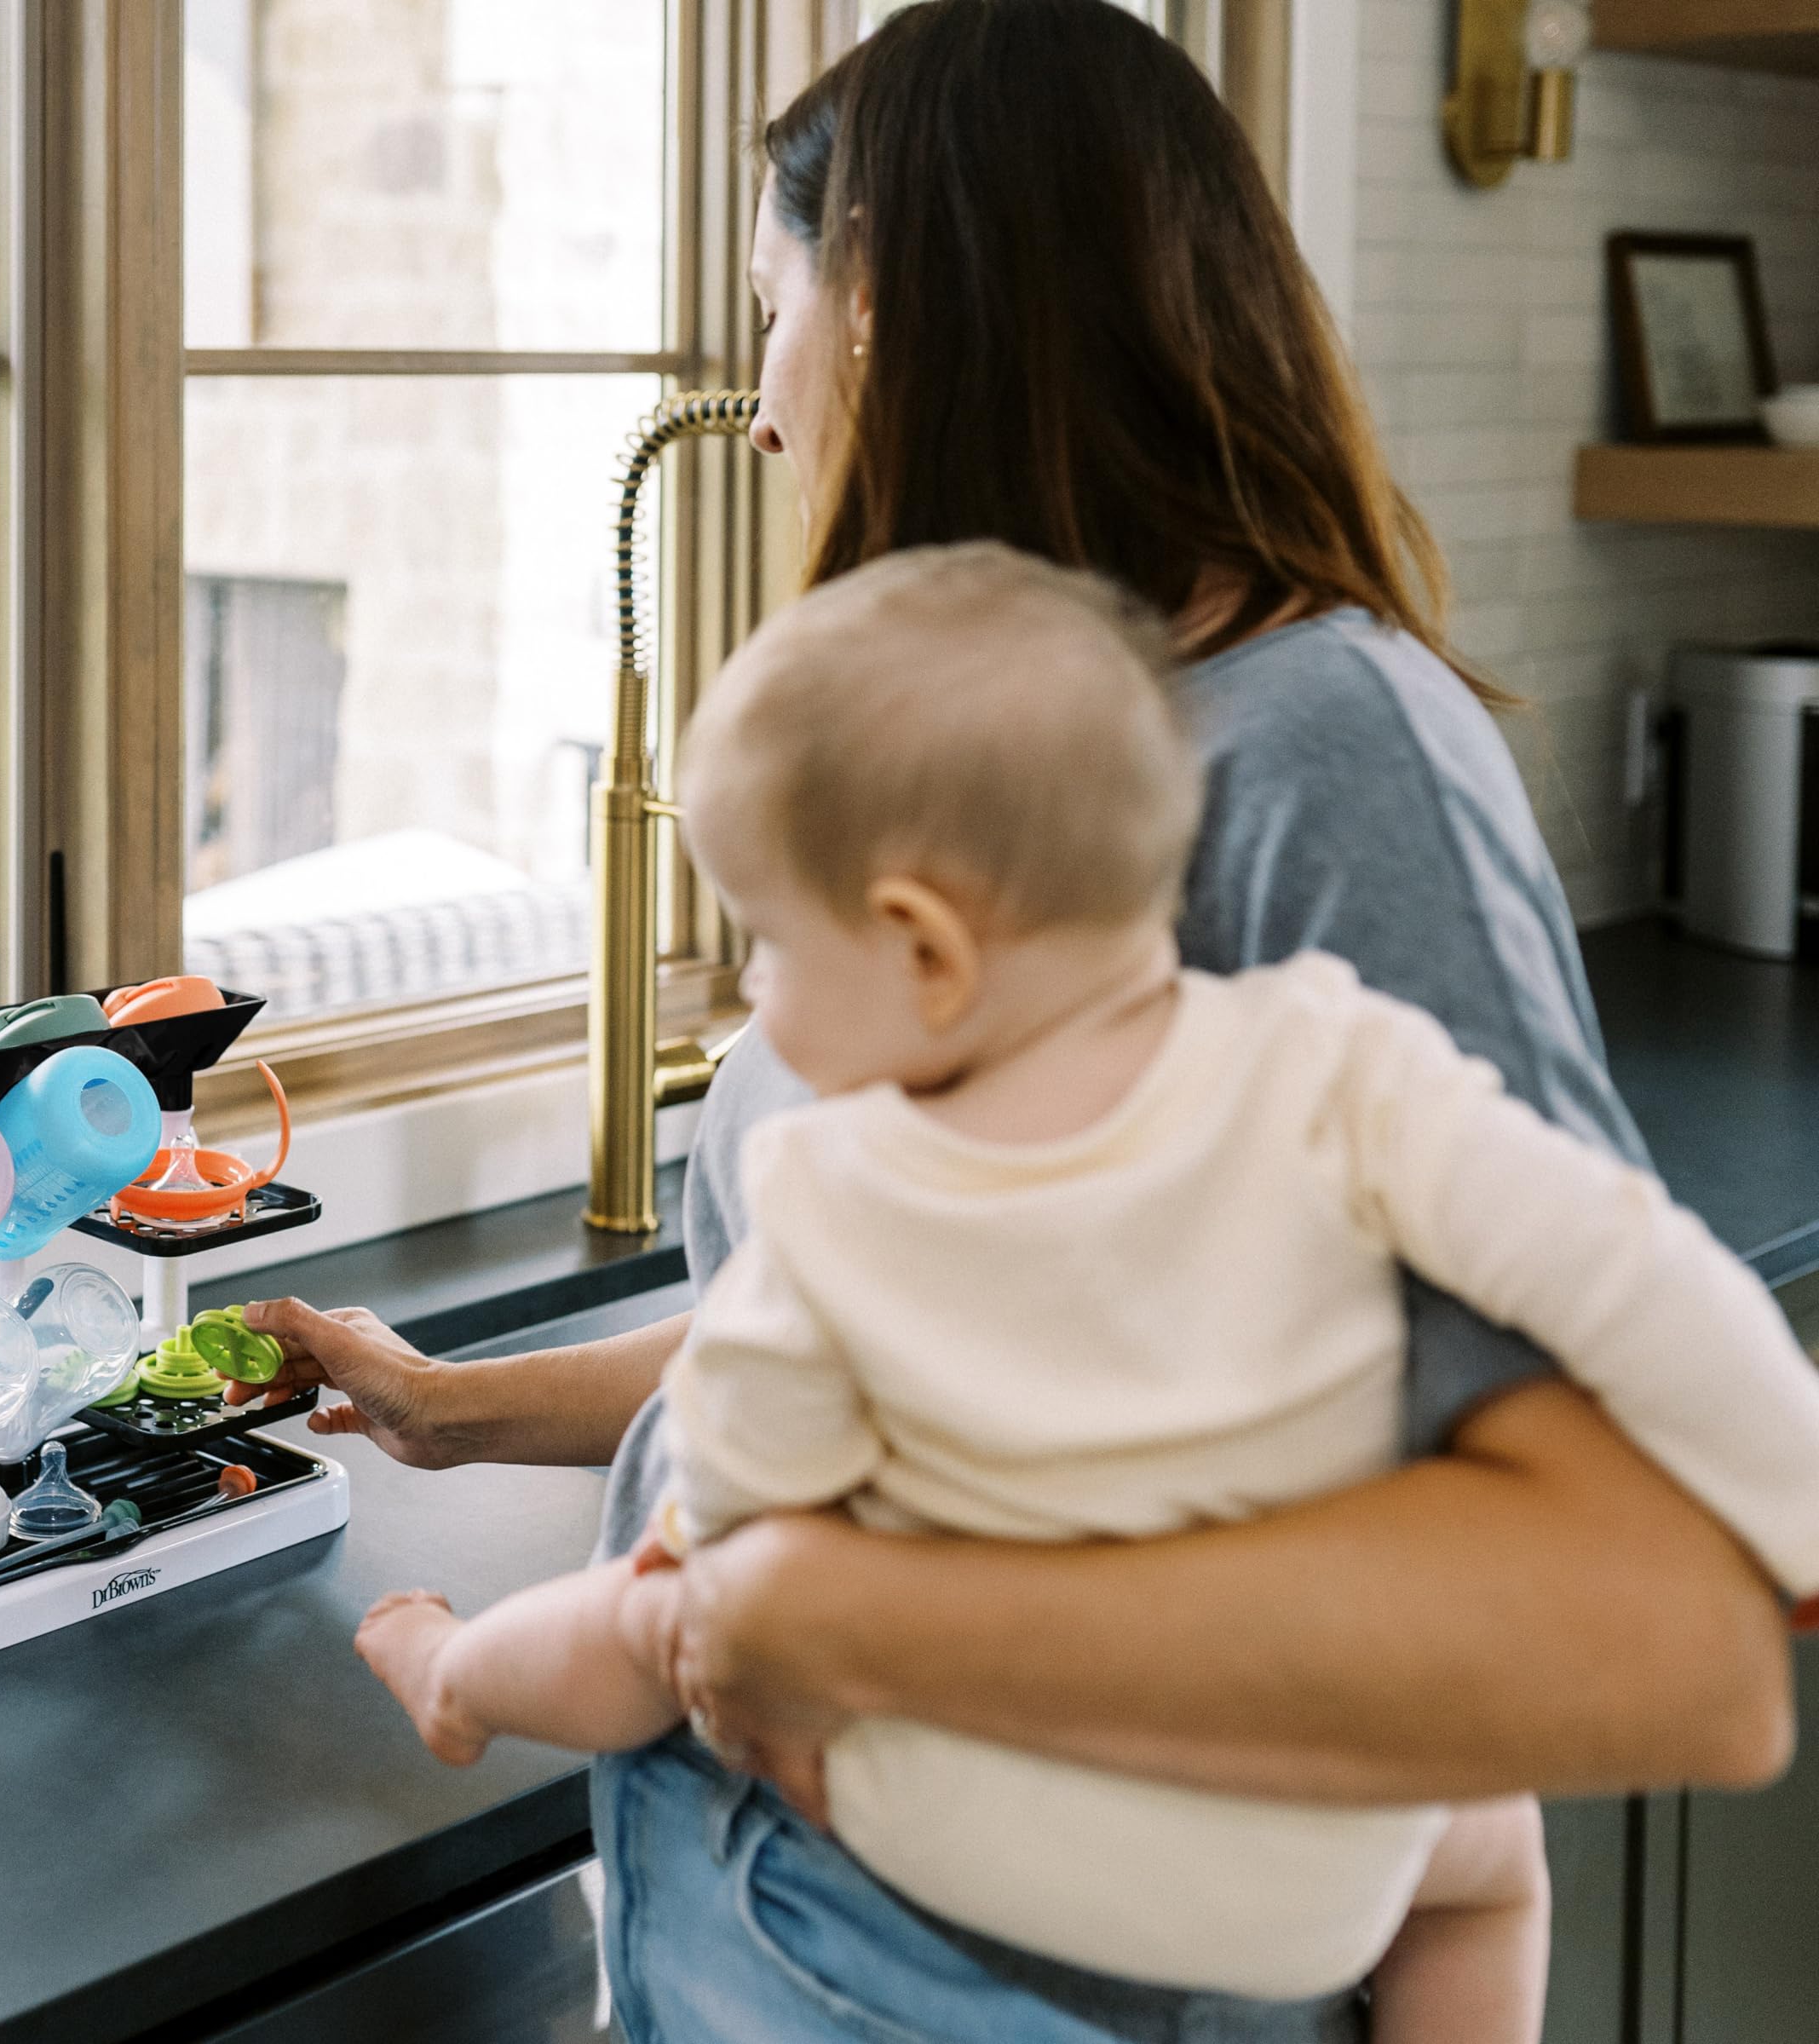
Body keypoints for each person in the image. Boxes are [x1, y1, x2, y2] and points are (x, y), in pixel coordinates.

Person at [235, 5, 1794, 2037]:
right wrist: (454, 1407)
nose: (762, 409)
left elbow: (1640, 1621)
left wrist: (840, 1620)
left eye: (772, 310)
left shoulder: (1321, 750)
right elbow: (973, 1294)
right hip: (752, 1934)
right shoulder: (1037, 759)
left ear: (884, 299)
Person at [352, 544, 1819, 2042]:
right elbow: (1636, 1275)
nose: (761, 1003)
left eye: (773, 949)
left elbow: (733, 1529)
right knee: (1492, 1871)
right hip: (1319, 1867)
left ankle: (451, 1677)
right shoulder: (1341, 1066)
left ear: (925, 948)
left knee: (651, 1619)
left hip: (981, 1843)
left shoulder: (842, 1196)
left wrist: (718, 1572)